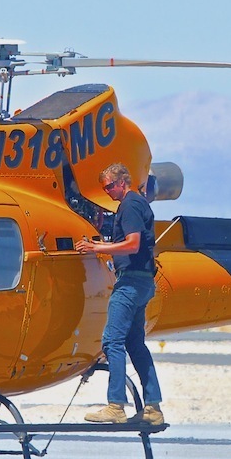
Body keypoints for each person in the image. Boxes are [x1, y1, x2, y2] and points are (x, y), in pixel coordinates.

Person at [74, 163, 165, 425]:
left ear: (122, 182)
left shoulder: (130, 205)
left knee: (112, 341)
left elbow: (134, 244)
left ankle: (116, 406)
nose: (108, 192)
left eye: (110, 186)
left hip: (131, 284)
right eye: (104, 188)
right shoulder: (136, 204)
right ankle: (153, 409)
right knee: (135, 344)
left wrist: (96, 247)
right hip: (143, 282)